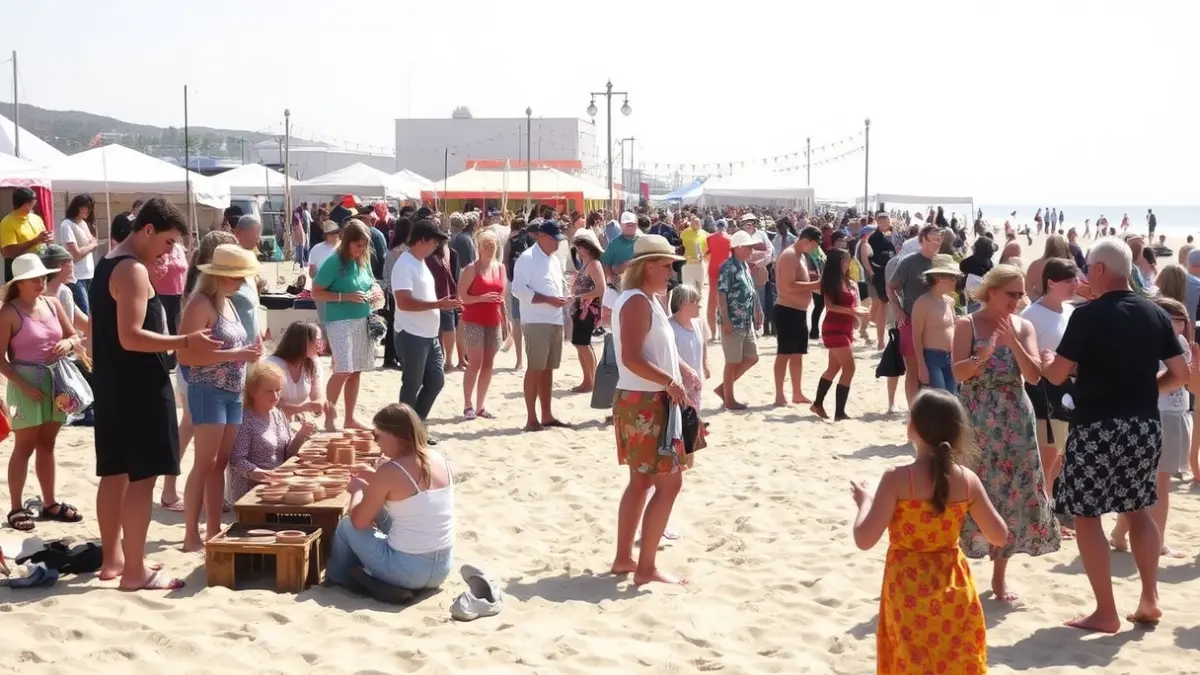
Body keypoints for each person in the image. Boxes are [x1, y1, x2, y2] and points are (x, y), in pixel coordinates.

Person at [1043, 238, 1188, 632]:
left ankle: (1106, 612)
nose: (1085, 275)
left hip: (1096, 425)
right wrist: (1146, 390)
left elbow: (1056, 375)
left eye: (1088, 268)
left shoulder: (1086, 316)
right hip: (1143, 424)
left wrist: (1045, 361)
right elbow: (1181, 374)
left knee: (1087, 514)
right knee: (1138, 509)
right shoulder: (1155, 313)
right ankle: (1149, 598)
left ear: (1101, 269)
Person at [92, 198, 222, 589]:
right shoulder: (132, 269)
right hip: (141, 386)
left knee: (114, 473)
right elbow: (131, 336)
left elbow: (100, 333)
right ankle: (134, 571)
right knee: (142, 479)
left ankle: (113, 560)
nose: (170, 251)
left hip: (112, 384)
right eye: (168, 242)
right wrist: (185, 340)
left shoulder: (107, 262)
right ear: (147, 230)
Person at [851, 389, 1006, 674]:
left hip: (907, 592)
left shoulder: (897, 479)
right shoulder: (967, 481)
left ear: (912, 428)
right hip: (955, 590)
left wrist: (865, 503)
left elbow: (864, 539)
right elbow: (999, 535)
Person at [953, 265, 1061, 602]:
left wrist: (1014, 344)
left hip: (1015, 420)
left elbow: (1033, 377)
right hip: (975, 420)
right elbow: (958, 374)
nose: (1017, 300)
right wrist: (982, 356)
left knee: (1011, 493)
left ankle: (999, 576)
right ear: (991, 292)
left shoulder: (1024, 326)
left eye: (1020, 294)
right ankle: (958, 569)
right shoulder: (967, 324)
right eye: (1010, 293)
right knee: (968, 490)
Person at [610, 235, 691, 585]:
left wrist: (682, 371)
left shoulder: (646, 299)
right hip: (646, 401)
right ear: (646, 267)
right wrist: (669, 381)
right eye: (666, 265)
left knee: (641, 482)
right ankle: (645, 567)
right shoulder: (636, 301)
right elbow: (631, 358)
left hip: (643, 398)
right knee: (669, 484)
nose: (672, 272)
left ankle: (624, 558)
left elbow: (654, 350)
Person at [178, 244, 262, 551]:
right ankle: (191, 534)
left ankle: (213, 529)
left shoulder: (227, 301)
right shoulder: (200, 303)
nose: (242, 282)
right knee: (204, 463)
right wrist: (238, 354)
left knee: (219, 463)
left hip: (232, 391)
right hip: (208, 390)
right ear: (220, 276)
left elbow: (231, 346)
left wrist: (249, 351)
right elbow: (185, 356)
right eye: (237, 276)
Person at [327, 403, 455, 600]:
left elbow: (358, 522)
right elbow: (412, 497)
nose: (375, 441)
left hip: (408, 571)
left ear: (393, 435)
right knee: (383, 512)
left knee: (346, 527)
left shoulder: (390, 470)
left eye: (377, 435)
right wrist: (373, 478)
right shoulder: (437, 458)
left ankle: (337, 580)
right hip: (441, 570)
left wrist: (357, 490)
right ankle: (375, 580)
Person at [0, 253, 84, 531]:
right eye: (34, 278)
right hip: (25, 382)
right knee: (24, 446)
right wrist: (23, 385)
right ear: (20, 283)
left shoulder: (52, 303)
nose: (41, 282)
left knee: (47, 443)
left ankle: (50, 503)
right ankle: (15, 508)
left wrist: (68, 344)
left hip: (55, 381)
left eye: (42, 277)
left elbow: (74, 335)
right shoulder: (9, 313)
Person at [1108, 296, 1194, 558]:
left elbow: (1189, 383)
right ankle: (1157, 542)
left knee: (1150, 483)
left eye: (1183, 320)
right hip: (1154, 415)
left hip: (1175, 414)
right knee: (1156, 485)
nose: (1180, 325)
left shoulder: (1180, 343)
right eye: (1175, 319)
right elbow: (1145, 382)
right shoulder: (1151, 341)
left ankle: (1120, 534)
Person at [1019, 259, 1079, 511]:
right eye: (1069, 280)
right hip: (1042, 390)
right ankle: (1041, 509)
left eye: (1076, 279)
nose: (1075, 284)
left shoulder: (1071, 311)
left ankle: (1049, 504)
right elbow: (1024, 358)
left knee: (1062, 452)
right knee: (1047, 453)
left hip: (1069, 388)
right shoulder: (1031, 315)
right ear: (1051, 283)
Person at [393, 219, 460, 434]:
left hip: (429, 335)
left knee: (436, 381)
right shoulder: (404, 264)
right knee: (411, 385)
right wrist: (439, 304)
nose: (436, 246)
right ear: (421, 240)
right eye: (434, 241)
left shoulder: (421, 263)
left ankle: (415, 427)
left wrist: (441, 303)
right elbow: (404, 302)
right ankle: (404, 432)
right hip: (411, 334)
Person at [312, 220, 376, 430]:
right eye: (358, 245)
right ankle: (329, 418)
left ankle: (349, 418)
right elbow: (316, 292)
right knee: (343, 370)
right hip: (339, 321)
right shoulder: (334, 262)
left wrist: (374, 292)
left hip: (362, 319)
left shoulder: (363, 260)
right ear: (347, 241)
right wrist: (344, 296)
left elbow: (371, 283)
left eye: (365, 245)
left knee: (356, 370)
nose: (362, 249)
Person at [227, 361, 317, 501]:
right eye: (269, 391)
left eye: (278, 390)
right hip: (252, 491)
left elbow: (287, 454)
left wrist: (301, 435)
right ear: (253, 392)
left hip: (277, 484)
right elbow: (237, 461)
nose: (275, 396)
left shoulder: (277, 414)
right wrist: (263, 474)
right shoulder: (245, 420)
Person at [511, 220, 570, 431]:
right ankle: (531, 418)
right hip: (535, 320)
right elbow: (518, 289)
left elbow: (560, 284)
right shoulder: (527, 258)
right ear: (542, 237)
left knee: (548, 369)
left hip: (555, 319)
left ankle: (546, 414)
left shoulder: (554, 260)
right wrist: (548, 299)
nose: (558, 243)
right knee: (535, 368)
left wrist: (565, 300)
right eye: (555, 239)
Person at [810, 249, 868, 420]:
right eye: (846, 260)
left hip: (846, 327)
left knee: (833, 368)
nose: (849, 262)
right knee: (850, 368)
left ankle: (817, 404)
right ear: (838, 261)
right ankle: (839, 412)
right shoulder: (830, 281)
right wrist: (853, 311)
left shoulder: (849, 281)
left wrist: (859, 312)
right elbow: (831, 306)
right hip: (833, 328)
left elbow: (853, 305)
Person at [889, 225, 943, 406]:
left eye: (940, 238)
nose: (937, 242)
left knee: (932, 368)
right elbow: (891, 286)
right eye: (934, 238)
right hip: (911, 320)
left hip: (936, 324)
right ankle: (913, 411)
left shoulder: (941, 263)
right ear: (923, 239)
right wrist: (897, 310)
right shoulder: (910, 261)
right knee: (913, 369)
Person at [458, 228, 507, 419]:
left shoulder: (500, 268)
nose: (490, 248)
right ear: (479, 247)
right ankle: (467, 404)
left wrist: (506, 321)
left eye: (492, 245)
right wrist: (481, 298)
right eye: (486, 245)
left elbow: (501, 298)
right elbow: (462, 297)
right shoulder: (472, 269)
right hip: (474, 320)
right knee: (475, 362)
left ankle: (480, 405)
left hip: (494, 320)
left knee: (488, 364)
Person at [771, 226, 823, 406]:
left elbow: (799, 279)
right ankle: (779, 395)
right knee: (784, 353)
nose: (815, 249)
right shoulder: (789, 255)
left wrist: (812, 279)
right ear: (807, 241)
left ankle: (797, 393)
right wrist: (816, 284)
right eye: (815, 245)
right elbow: (789, 286)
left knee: (798, 354)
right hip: (787, 310)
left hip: (799, 311)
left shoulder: (800, 255)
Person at [713, 231, 762, 410]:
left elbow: (751, 289)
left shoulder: (743, 265)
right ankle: (729, 398)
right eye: (748, 247)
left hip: (745, 320)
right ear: (738, 247)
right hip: (733, 320)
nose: (751, 250)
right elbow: (721, 294)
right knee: (732, 360)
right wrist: (726, 319)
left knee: (752, 357)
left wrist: (758, 308)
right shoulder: (727, 267)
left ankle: (724, 389)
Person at [911, 254, 963, 394]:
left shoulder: (949, 301)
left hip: (951, 357)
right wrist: (921, 364)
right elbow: (916, 335)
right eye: (951, 277)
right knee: (940, 397)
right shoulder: (923, 302)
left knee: (952, 397)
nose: (955, 281)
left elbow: (952, 328)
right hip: (932, 358)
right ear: (938, 277)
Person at [266, 320, 332, 422]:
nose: (320, 344)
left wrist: (318, 404)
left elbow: (318, 396)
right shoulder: (273, 366)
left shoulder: (312, 363)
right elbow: (268, 407)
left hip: (287, 421)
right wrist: (304, 408)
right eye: (317, 340)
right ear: (302, 342)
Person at [568, 230, 606, 394]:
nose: (581, 250)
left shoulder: (594, 264)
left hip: (588, 310)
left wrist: (579, 296)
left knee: (583, 344)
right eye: (579, 246)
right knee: (581, 344)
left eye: (584, 246)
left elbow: (601, 290)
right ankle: (588, 380)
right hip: (580, 309)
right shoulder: (585, 265)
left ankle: (590, 381)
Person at [56, 194, 99, 315]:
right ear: (77, 207)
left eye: (90, 208)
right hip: (76, 276)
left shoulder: (84, 224)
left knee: (91, 312)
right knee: (83, 312)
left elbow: (94, 241)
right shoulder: (67, 224)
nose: (88, 211)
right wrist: (91, 246)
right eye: (85, 207)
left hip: (89, 274)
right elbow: (76, 254)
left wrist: (90, 245)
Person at [1, 188, 50, 282]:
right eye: (30, 204)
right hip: (21, 270)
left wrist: (48, 239)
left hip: (39, 265)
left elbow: (44, 240)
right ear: (22, 203)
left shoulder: (36, 219)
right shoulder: (7, 222)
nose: (33, 206)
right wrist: (35, 241)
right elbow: (8, 252)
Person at [231, 215, 264, 342]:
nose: (258, 238)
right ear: (239, 232)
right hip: (237, 325)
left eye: (258, 234)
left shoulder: (252, 254)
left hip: (252, 321)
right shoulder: (231, 256)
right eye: (255, 234)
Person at [704, 219, 732, 338]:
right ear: (725, 227)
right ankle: (723, 333)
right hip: (726, 271)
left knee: (712, 303)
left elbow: (706, 253)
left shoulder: (709, 238)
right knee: (725, 301)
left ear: (716, 227)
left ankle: (713, 334)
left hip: (713, 271)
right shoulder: (730, 239)